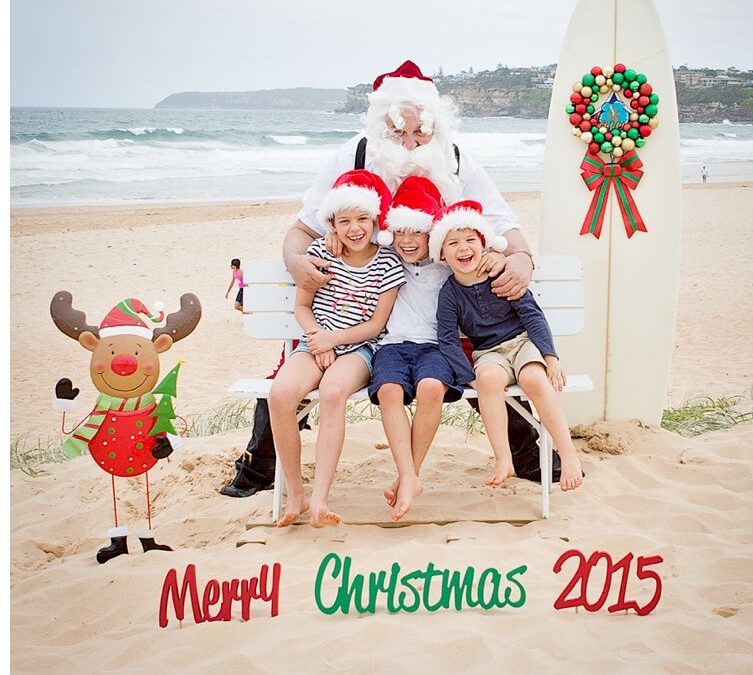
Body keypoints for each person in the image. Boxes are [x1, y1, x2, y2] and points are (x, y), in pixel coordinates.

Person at [221, 59, 553, 499]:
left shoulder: (455, 159)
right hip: (359, 305)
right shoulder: (353, 156)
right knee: (290, 373)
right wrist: (297, 262)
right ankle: (260, 468)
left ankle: (526, 456)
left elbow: (504, 223)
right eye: (399, 133)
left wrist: (523, 259)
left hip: (440, 304)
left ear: (437, 127)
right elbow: (301, 230)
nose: (411, 144)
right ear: (381, 128)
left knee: (484, 354)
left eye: (421, 133)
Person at [267, 170, 405, 527]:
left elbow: (376, 325)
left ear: (374, 219)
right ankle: (295, 495)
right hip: (315, 342)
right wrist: (317, 337)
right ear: (332, 223)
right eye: (344, 221)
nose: (354, 228)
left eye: (362, 219)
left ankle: (320, 499)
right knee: (280, 395)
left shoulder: (388, 262)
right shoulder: (319, 253)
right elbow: (302, 307)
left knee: (331, 392)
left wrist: (333, 340)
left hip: (361, 348)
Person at [432, 200, 583, 491]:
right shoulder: (449, 293)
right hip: (488, 353)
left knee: (534, 379)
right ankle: (504, 459)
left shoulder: (501, 274)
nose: (463, 248)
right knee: (487, 380)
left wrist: (551, 358)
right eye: (453, 243)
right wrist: (468, 377)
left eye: (469, 240)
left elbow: (533, 316)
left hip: (522, 343)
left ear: (484, 244)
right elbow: (448, 338)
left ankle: (568, 455)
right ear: (441, 253)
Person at [363, 176, 462, 521]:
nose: (407, 241)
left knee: (431, 387)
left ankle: (409, 475)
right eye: (400, 232)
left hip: (435, 348)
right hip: (390, 346)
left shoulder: (447, 262)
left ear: (430, 233)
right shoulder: (386, 257)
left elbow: (476, 246)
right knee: (390, 391)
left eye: (416, 232)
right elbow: (356, 240)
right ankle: (409, 477)